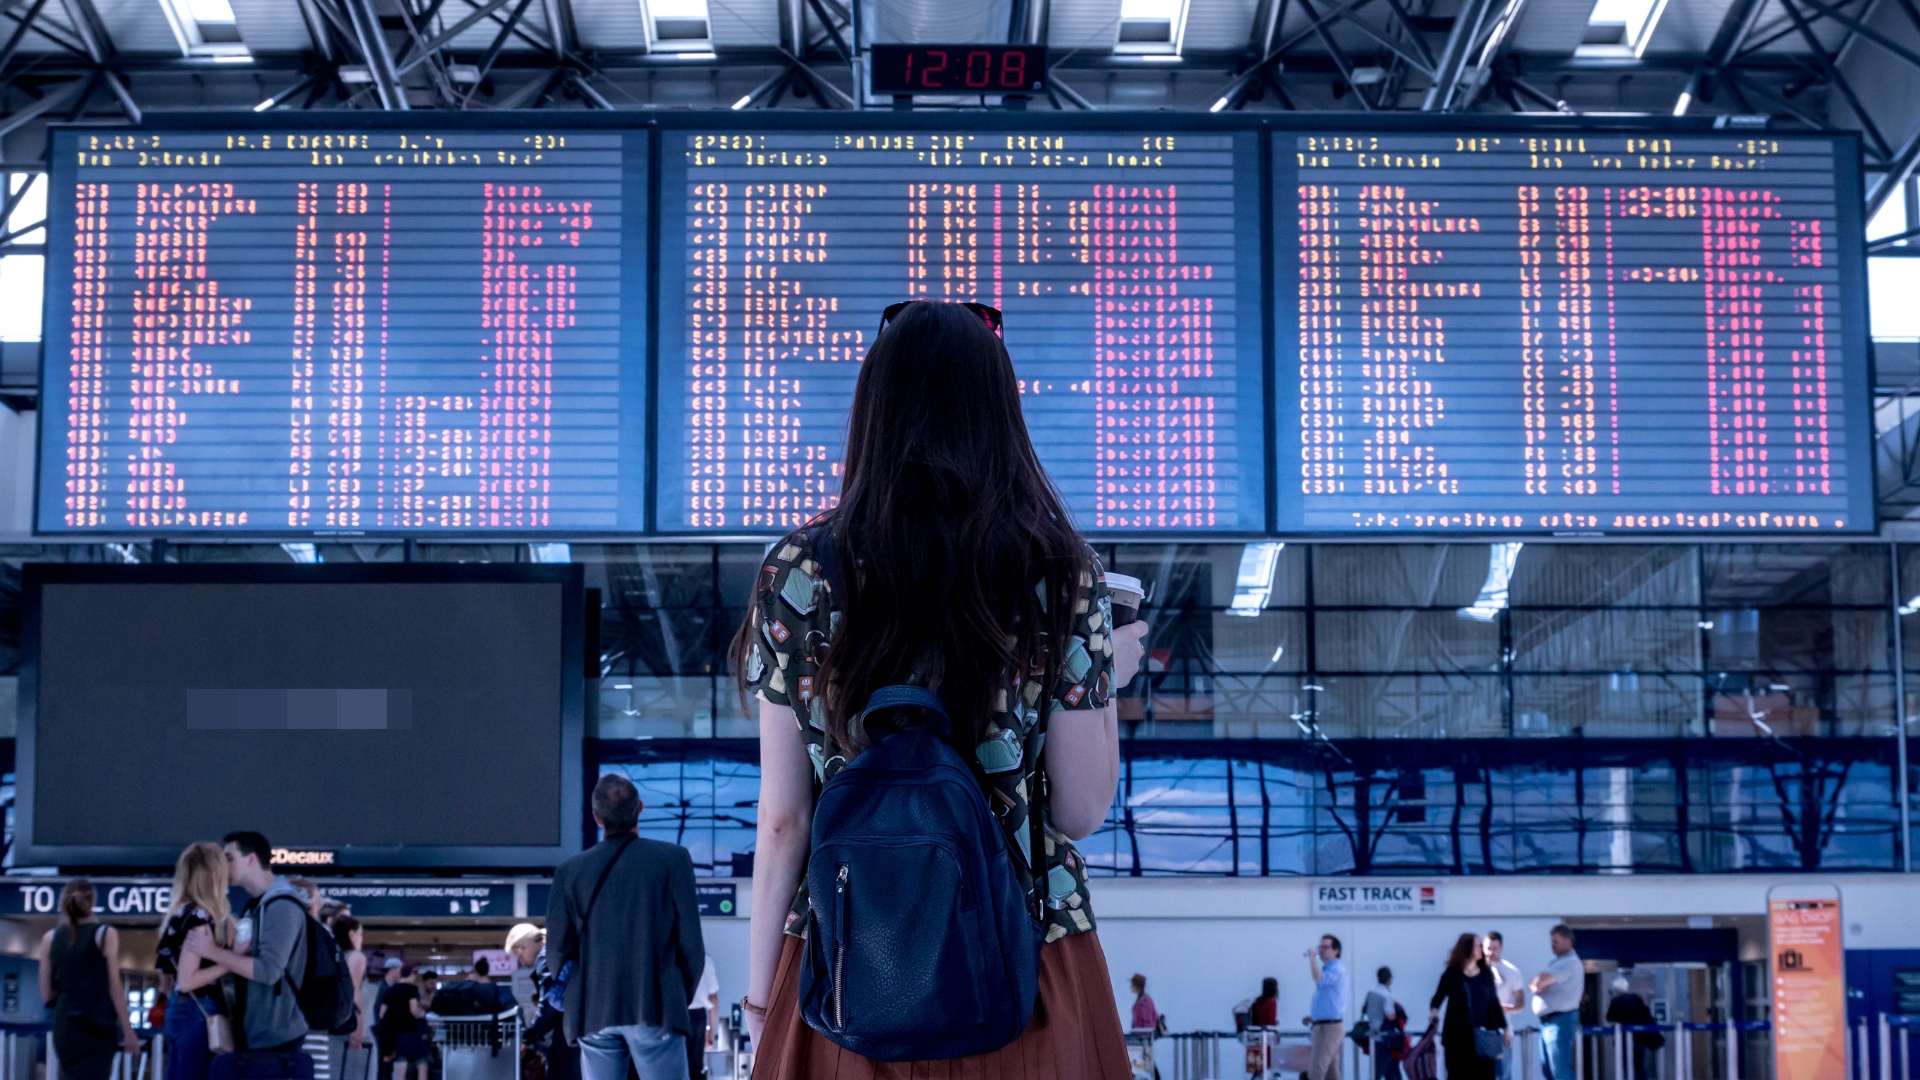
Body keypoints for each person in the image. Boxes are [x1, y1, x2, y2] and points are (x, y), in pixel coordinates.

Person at [735, 300, 1151, 1078]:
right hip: (1026, 964)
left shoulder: (798, 571)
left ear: (874, 409)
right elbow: (1079, 810)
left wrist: (762, 1008)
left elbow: (786, 821)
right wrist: (1108, 681)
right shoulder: (1062, 571)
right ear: (1001, 412)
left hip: (847, 961)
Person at [546, 774, 704, 1080]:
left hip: (593, 1012)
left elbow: (556, 949)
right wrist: (675, 995)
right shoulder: (672, 859)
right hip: (656, 1005)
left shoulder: (570, 872)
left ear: (597, 817)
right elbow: (691, 944)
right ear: (640, 808)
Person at [184, 831, 312, 1058]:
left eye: (229, 858)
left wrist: (211, 952)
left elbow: (268, 971)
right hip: (259, 1035)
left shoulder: (282, 906)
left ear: (251, 859)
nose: (224, 866)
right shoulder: (256, 907)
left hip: (276, 1038)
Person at [38, 879, 142, 1080]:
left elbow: (46, 993)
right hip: (97, 1025)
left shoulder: (49, 938)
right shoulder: (105, 934)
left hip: (66, 1027)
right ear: (92, 902)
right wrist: (128, 1032)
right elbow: (114, 987)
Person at [157, 843, 238, 1080]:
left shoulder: (178, 915)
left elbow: (168, 977)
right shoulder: (201, 918)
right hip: (199, 1012)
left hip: (180, 1009)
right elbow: (187, 980)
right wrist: (230, 962)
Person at [1430, 934, 1509, 1080]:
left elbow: (1494, 1002)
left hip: (1483, 1037)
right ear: (1467, 948)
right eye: (1477, 945)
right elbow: (1438, 996)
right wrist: (1434, 1012)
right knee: (1457, 1075)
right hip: (1457, 1038)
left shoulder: (1486, 973)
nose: (1481, 949)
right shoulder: (1452, 974)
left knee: (1485, 1075)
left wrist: (1505, 1028)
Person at [1530, 926, 1583, 1080]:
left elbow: (1539, 981)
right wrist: (1535, 985)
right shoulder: (1555, 962)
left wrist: (1537, 984)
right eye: (1551, 941)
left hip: (1561, 1021)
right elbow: (1533, 983)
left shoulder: (1569, 963)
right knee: (1549, 1071)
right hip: (1549, 1022)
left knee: (1560, 1070)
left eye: (1555, 941)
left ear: (1567, 941)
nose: (1552, 945)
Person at [1487, 933, 1537, 1080]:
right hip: (1479, 1030)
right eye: (1488, 948)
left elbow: (1520, 1003)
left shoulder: (1512, 972)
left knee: (1503, 1073)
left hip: (1502, 1030)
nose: (1491, 952)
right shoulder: (1476, 971)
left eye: (1494, 948)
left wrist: (1506, 1008)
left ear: (1501, 948)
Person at [329, 917, 370, 1080]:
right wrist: (358, 1026)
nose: (361, 938)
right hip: (348, 1024)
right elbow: (353, 991)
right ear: (351, 934)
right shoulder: (356, 957)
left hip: (334, 1022)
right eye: (360, 934)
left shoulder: (335, 956)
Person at [1304, 935, 1348, 1080]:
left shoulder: (1337, 969)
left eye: (1325, 947)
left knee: (1316, 1069)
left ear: (1336, 951)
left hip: (1329, 1028)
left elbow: (1319, 979)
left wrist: (1312, 959)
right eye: (1320, 947)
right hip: (1323, 1024)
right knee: (1331, 1072)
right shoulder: (1328, 969)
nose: (1321, 950)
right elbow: (1330, 998)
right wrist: (1315, 1015)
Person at [376, 966, 431, 1080]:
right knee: (422, 1062)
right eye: (415, 974)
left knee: (402, 1062)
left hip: (396, 1034)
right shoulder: (411, 989)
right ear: (411, 973)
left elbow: (381, 1014)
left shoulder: (390, 990)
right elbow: (413, 1010)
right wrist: (424, 1015)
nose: (416, 977)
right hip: (410, 1031)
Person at [1604, 976, 1662, 1080]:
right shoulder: (1636, 999)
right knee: (1639, 1064)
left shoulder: (1616, 1001)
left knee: (1628, 1064)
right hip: (1640, 1037)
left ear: (1616, 989)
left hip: (1624, 1038)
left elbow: (1609, 1017)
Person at [1362, 967, 1405, 1080]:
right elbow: (1390, 1015)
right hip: (1383, 1038)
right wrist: (1398, 1015)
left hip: (1373, 1036)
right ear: (1389, 979)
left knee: (1390, 1071)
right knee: (1378, 1072)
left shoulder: (1370, 993)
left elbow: (1364, 1010)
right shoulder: (1386, 995)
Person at [687, 956, 719, 1080]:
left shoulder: (671, 955)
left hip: (674, 1014)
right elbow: (713, 998)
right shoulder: (705, 960)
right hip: (698, 1017)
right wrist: (711, 1031)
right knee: (696, 1066)